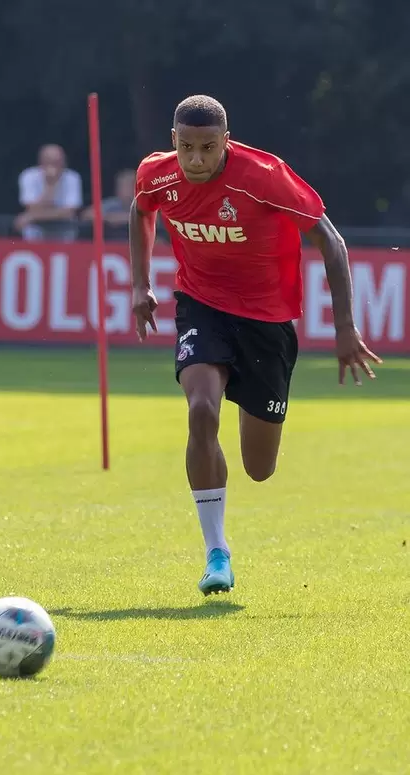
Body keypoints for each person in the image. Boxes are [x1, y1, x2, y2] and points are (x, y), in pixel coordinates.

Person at [129, 94, 381, 595]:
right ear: (172, 142)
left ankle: (251, 414)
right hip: (201, 306)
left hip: (267, 320)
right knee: (201, 409)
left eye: (207, 148)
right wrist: (140, 284)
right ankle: (216, 552)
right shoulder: (157, 174)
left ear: (226, 140)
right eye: (186, 149)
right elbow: (141, 209)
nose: (196, 160)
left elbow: (330, 240)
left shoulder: (264, 175)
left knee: (259, 468)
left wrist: (344, 328)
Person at [16, 144, 82, 242]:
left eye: (58, 162)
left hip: (63, 230)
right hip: (36, 230)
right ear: (41, 162)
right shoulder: (28, 176)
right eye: (50, 162)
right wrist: (50, 186)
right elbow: (31, 208)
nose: (55, 166)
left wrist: (33, 216)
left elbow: (69, 212)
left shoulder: (72, 177)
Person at [81, 168, 136, 240]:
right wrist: (107, 218)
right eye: (119, 186)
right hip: (111, 244)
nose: (120, 189)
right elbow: (86, 214)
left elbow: (152, 219)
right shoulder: (113, 203)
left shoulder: (145, 202)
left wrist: (124, 218)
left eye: (125, 186)